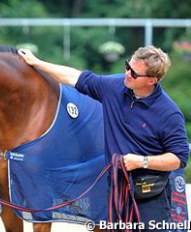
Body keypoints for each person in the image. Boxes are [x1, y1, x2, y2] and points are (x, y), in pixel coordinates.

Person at [18, 46, 190, 230]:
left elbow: (179, 159)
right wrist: (37, 62)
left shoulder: (169, 113)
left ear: (152, 80)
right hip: (116, 190)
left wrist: (142, 162)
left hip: (150, 194)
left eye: (134, 73)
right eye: (127, 66)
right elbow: (74, 77)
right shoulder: (114, 87)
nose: (127, 73)